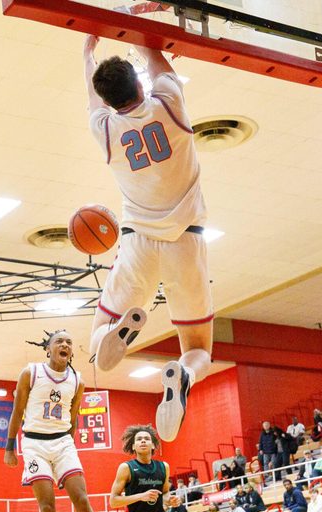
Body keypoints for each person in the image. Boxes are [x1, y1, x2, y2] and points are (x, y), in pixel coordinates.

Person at [82, 38, 211, 443]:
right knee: (198, 346)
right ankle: (183, 375)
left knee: (98, 330)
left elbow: (94, 99)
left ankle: (117, 332)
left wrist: (86, 54)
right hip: (186, 241)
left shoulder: (104, 130)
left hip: (138, 241)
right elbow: (154, 54)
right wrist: (136, 31)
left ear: (108, 100)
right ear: (138, 85)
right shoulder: (168, 104)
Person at [5, 330, 109, 512]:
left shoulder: (77, 381)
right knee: (48, 508)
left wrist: (69, 447)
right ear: (48, 349)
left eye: (69, 342)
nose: (65, 344)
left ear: (71, 352)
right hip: (34, 443)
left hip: (63, 442)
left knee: (81, 499)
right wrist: (9, 447)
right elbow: (17, 410)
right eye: (59, 341)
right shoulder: (31, 372)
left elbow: (73, 417)